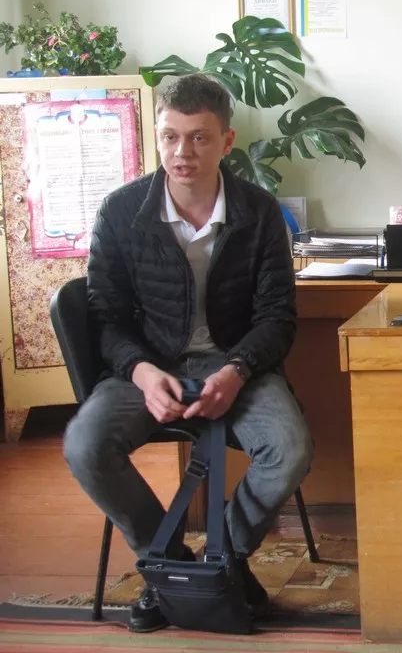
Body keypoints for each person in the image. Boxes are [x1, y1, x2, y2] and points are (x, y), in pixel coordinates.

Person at [63, 75, 313, 632]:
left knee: (290, 449)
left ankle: (226, 561)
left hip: (238, 365)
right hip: (149, 366)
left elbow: (277, 318)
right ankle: (168, 566)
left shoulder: (259, 212)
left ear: (227, 141)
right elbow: (105, 318)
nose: (182, 153)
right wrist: (142, 372)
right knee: (84, 444)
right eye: (170, 136)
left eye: (199, 137)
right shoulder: (120, 211)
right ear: (156, 136)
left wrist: (237, 370)